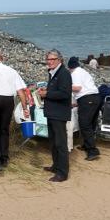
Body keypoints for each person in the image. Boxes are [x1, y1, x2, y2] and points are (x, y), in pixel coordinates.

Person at [38, 49, 72, 183]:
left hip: (59, 114)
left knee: (60, 144)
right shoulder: (53, 73)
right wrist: (47, 91)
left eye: (52, 59)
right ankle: (56, 166)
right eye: (48, 59)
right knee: (53, 142)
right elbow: (56, 90)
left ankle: (62, 173)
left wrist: (47, 94)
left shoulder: (63, 73)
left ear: (59, 60)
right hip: (52, 113)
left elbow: (65, 94)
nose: (49, 62)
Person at [67, 57, 101, 161]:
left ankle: (92, 151)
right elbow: (85, 88)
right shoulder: (83, 71)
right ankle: (87, 145)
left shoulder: (75, 73)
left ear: (69, 67)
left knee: (85, 124)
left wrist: (64, 86)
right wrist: (76, 103)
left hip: (88, 99)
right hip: (96, 98)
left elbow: (78, 88)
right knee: (90, 124)